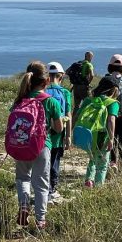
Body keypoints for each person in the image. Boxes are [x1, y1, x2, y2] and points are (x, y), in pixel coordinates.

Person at [9, 62, 64, 231]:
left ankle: (24, 206)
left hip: (21, 144)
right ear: (46, 81)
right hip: (42, 146)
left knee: (22, 178)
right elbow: (58, 128)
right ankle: (41, 221)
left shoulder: (20, 100)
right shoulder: (51, 102)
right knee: (41, 183)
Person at [78, 78, 120, 187]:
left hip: (89, 134)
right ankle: (98, 187)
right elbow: (111, 120)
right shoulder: (112, 103)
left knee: (92, 158)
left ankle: (89, 180)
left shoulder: (89, 100)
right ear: (113, 90)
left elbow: (77, 114)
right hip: (103, 136)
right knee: (102, 164)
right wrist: (111, 138)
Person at [45, 62, 73, 203]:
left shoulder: (42, 92)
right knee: (55, 161)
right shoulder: (65, 93)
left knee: (44, 162)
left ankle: (45, 189)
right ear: (61, 76)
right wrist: (68, 136)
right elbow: (68, 114)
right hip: (58, 134)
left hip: (42, 135)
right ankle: (52, 190)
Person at [70, 51, 95, 121]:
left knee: (76, 106)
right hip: (83, 87)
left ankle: (72, 122)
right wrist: (88, 83)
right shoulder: (89, 64)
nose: (91, 58)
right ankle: (86, 121)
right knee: (88, 104)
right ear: (89, 57)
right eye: (91, 57)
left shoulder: (77, 63)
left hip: (75, 87)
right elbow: (92, 75)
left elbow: (67, 71)